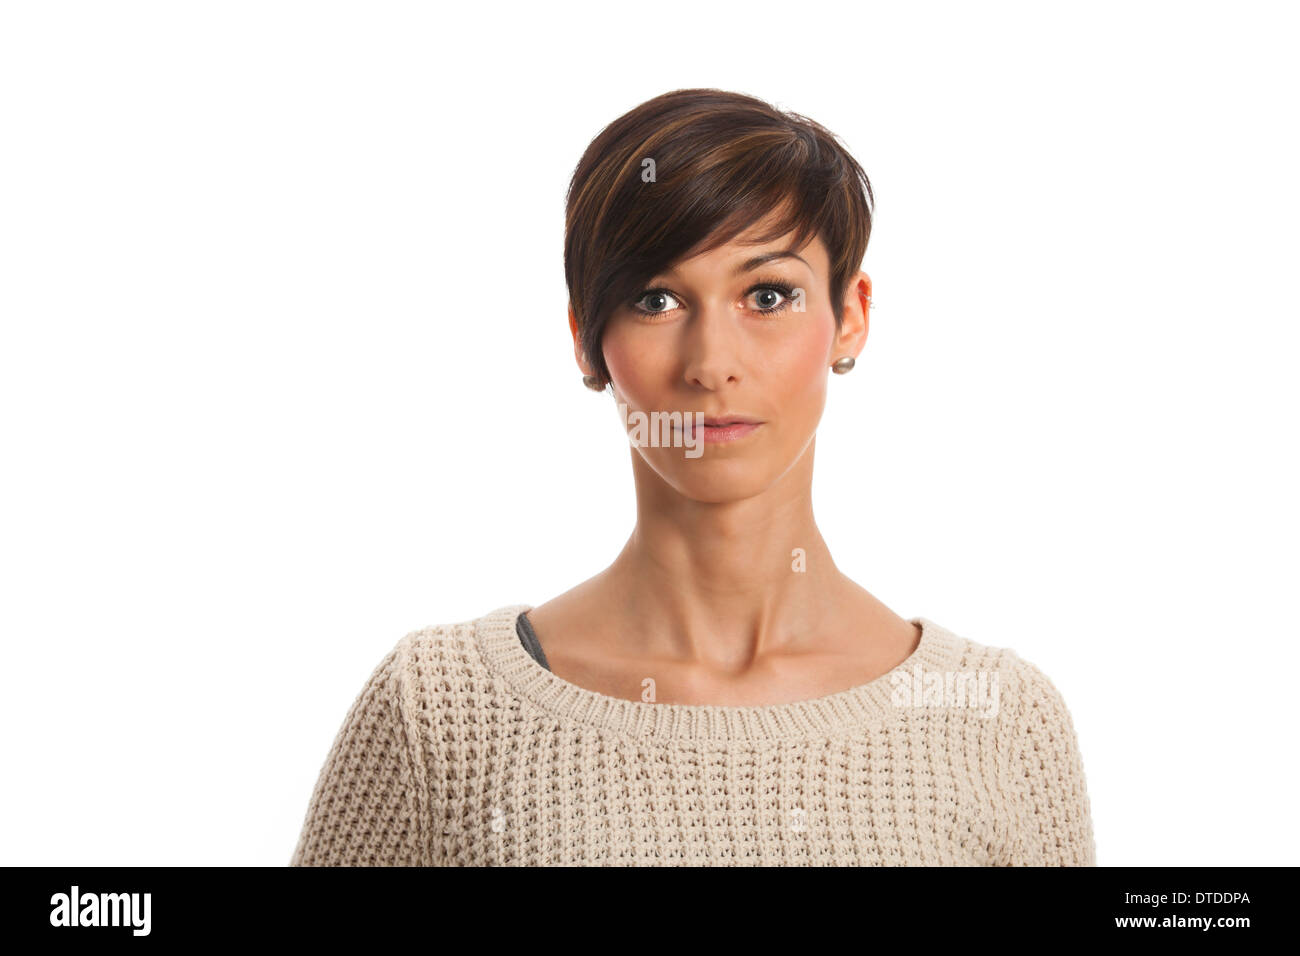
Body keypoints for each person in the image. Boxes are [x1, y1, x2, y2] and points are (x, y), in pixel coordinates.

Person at [290, 88, 1097, 866]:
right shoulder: (440, 708)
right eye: (657, 299)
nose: (712, 365)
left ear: (851, 316)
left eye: (768, 294)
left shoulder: (1000, 721)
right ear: (585, 339)